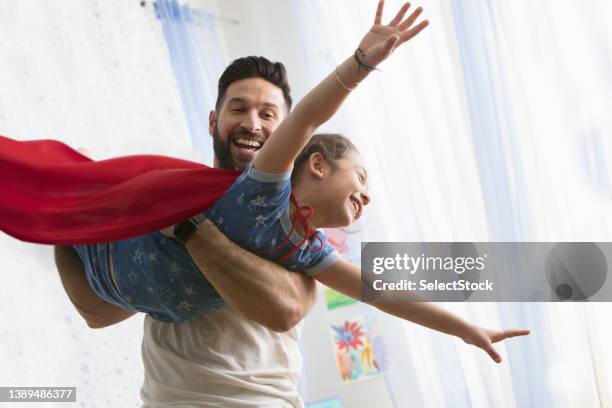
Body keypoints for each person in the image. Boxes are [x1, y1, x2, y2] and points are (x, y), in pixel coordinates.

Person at [50, 2, 529, 406]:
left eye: (267, 114)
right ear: (317, 164)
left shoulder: (304, 248)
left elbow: (378, 291)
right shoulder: (256, 192)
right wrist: (359, 64)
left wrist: (466, 329)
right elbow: (308, 117)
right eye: (238, 108)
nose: (252, 122)